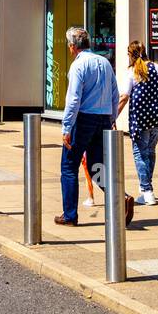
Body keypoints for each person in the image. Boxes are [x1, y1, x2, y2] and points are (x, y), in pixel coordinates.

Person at [56, 25, 134, 229]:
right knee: (97, 166)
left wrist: (66, 127)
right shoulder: (104, 62)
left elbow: (73, 100)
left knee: (69, 166)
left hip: (83, 119)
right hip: (103, 119)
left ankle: (70, 215)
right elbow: (114, 93)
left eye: (69, 45)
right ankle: (121, 198)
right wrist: (111, 117)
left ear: (73, 46)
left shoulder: (78, 66)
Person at [116, 41, 158, 206]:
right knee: (150, 152)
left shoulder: (132, 72)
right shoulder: (157, 68)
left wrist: (112, 116)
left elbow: (124, 97)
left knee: (139, 153)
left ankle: (147, 191)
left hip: (140, 119)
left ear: (131, 54)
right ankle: (146, 189)